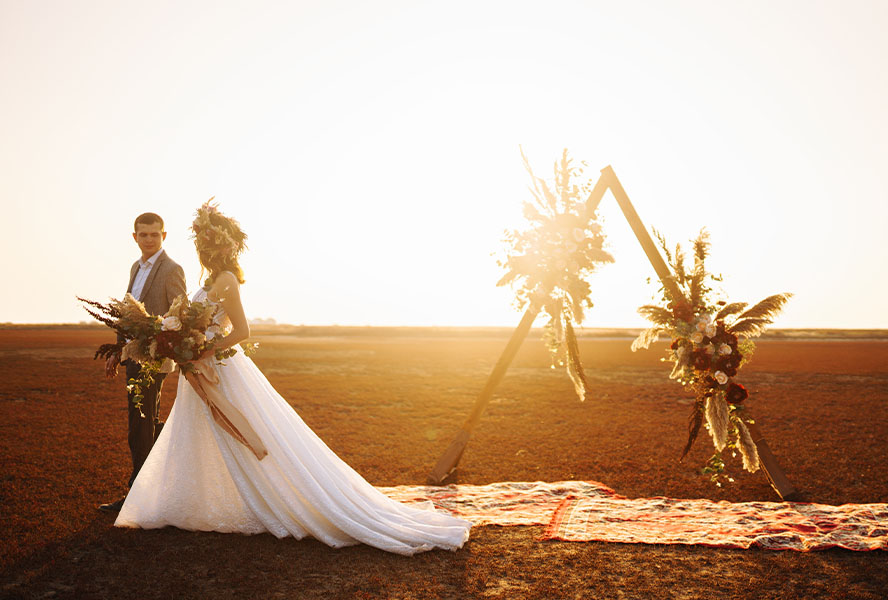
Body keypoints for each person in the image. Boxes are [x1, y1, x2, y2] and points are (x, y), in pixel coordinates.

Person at [115, 201, 471, 555]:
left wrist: (205, 350)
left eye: (207, 246)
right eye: (201, 247)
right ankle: (193, 502)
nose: (203, 252)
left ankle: (284, 498)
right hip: (199, 371)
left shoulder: (226, 281)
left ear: (220, 249)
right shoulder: (208, 281)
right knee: (198, 435)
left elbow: (242, 330)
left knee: (249, 433)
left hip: (220, 367)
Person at [99, 213, 187, 512]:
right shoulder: (136, 267)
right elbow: (128, 314)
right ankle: (157, 481)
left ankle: (138, 496)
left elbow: (179, 316)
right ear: (134, 237)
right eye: (143, 234)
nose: (149, 239)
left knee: (139, 423)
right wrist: (116, 350)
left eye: (154, 234)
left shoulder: (173, 269)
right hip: (132, 356)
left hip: (155, 359)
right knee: (144, 421)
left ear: (164, 235)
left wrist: (160, 341)